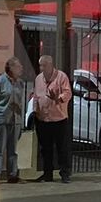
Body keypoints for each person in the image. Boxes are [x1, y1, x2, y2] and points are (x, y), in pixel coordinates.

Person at [32, 55, 72, 183]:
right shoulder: (38, 79)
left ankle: (65, 173)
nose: (41, 68)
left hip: (59, 119)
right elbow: (36, 96)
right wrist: (34, 110)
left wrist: (58, 98)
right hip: (43, 119)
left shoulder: (61, 77)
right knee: (45, 149)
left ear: (50, 65)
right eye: (40, 65)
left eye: (43, 65)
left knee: (62, 148)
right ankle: (47, 173)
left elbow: (67, 93)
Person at [0, 57, 25, 183]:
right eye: (18, 66)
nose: (21, 69)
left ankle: (12, 175)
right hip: (1, 119)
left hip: (15, 119)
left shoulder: (20, 83)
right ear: (11, 68)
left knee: (13, 150)